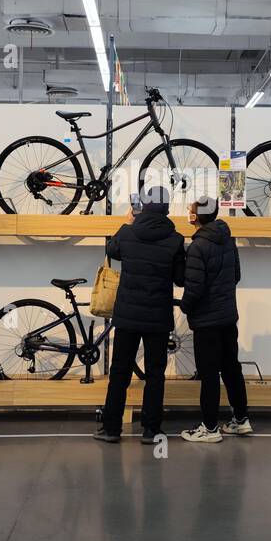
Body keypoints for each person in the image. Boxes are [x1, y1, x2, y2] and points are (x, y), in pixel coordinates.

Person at [94, 184, 185, 444]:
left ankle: (112, 429)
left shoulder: (128, 233)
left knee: (120, 371)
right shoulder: (175, 239)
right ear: (167, 209)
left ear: (142, 206)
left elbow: (111, 251)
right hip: (157, 318)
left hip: (128, 317)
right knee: (155, 374)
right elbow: (179, 279)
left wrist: (128, 222)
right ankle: (151, 430)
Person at [178, 196, 250, 443]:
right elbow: (236, 275)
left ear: (196, 217)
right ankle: (241, 420)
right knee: (231, 369)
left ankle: (209, 428)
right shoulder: (228, 239)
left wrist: (185, 308)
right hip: (228, 316)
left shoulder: (198, 247)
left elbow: (194, 288)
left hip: (207, 322)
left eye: (190, 210)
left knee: (209, 374)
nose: (188, 212)